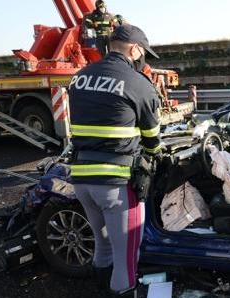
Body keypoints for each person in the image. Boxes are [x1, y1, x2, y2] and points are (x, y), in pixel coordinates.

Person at [68, 24, 162, 298]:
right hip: (116, 185)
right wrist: (156, 156)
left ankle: (100, 287)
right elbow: (152, 137)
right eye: (142, 52)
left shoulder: (80, 77)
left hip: (82, 180)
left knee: (103, 244)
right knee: (126, 257)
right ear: (134, 49)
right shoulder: (137, 83)